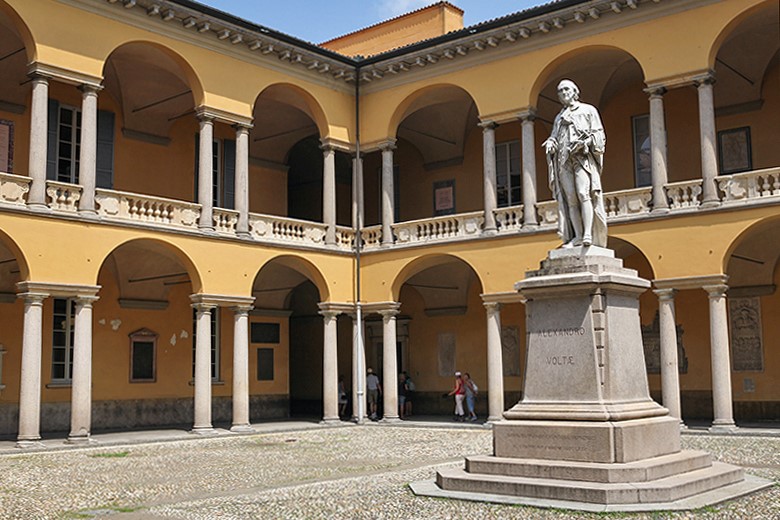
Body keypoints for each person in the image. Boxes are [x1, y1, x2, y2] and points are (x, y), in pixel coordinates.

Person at [543, 79, 608, 248]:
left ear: (574, 91)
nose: (563, 93)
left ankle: (587, 234)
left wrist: (585, 144)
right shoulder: (559, 117)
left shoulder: (588, 110)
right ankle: (577, 236)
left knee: (583, 193)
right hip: (563, 161)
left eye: (566, 90)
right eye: (560, 91)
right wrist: (551, 143)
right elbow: (554, 137)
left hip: (582, 159)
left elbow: (599, 135)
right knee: (570, 199)